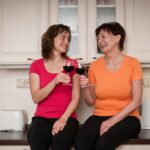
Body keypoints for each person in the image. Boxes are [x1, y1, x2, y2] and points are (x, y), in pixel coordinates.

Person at [74, 22, 143, 150]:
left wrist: (111, 121)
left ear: (118, 38)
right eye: (98, 38)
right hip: (99, 115)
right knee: (80, 144)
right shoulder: (94, 66)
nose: (100, 41)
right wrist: (85, 86)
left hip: (128, 118)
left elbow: (136, 101)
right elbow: (90, 102)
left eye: (104, 36)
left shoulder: (133, 63)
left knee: (103, 145)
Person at [27, 24, 80, 150]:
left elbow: (76, 97)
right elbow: (36, 98)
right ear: (50, 39)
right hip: (41, 118)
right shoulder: (36, 65)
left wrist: (63, 119)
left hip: (67, 118)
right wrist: (54, 81)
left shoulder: (73, 64)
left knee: (60, 144)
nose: (66, 42)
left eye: (68, 39)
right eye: (63, 37)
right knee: (37, 142)